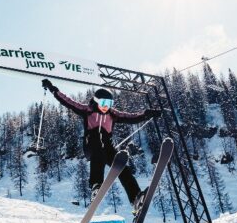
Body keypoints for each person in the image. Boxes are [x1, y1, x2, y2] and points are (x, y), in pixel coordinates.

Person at [42, 78, 159, 213]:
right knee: (98, 146)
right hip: (91, 146)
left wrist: (146, 114)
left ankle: (135, 198)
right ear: (96, 101)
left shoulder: (113, 114)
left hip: (108, 148)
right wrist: (52, 89)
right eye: (103, 103)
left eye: (109, 104)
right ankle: (96, 184)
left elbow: (131, 117)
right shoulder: (88, 110)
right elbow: (68, 102)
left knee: (122, 167)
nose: (106, 107)